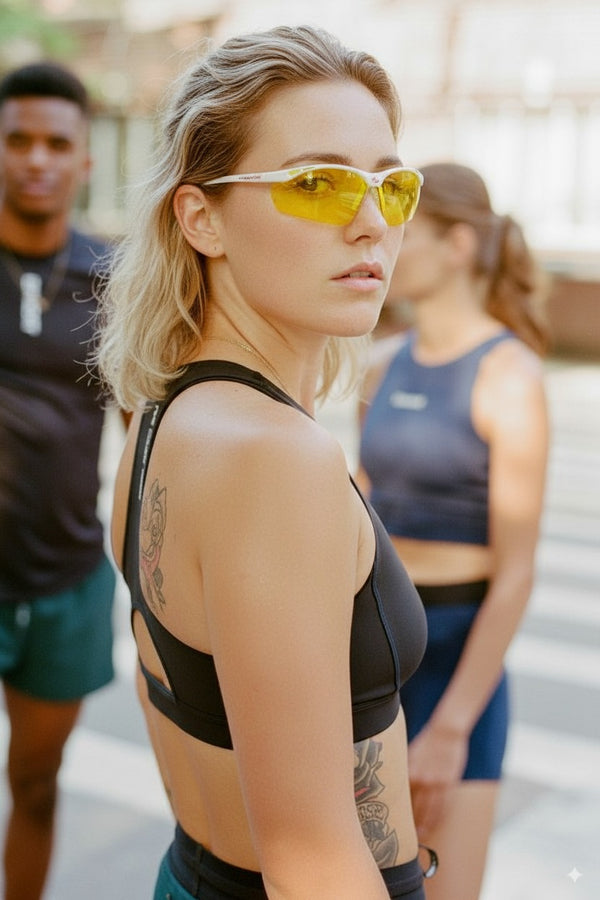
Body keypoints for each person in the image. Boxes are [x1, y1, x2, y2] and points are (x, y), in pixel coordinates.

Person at [95, 24, 439, 900]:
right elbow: (309, 859)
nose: (370, 223)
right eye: (318, 184)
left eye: (390, 186)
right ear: (201, 216)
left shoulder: (164, 413)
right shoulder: (274, 457)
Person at [358, 161, 550, 900]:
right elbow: (362, 522)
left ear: (458, 247)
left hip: (456, 669)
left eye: (403, 232)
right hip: (373, 656)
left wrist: (448, 729)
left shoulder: (510, 376)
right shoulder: (381, 364)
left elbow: (517, 571)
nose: (378, 243)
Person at [0, 62, 116, 900]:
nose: (35, 158)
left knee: (35, 785)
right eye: (16, 140)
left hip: (69, 581)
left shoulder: (116, 283)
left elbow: (150, 437)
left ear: (84, 161)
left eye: (55, 143)